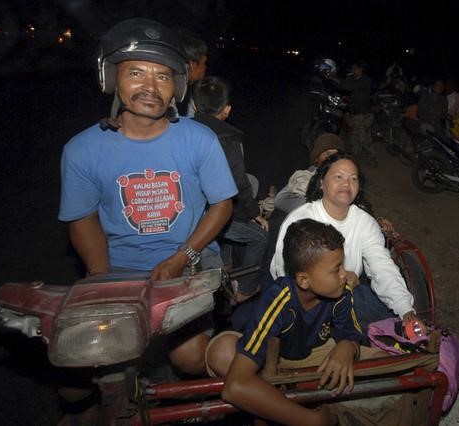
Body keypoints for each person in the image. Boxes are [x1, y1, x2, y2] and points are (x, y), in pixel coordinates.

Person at [58, 19, 237, 375]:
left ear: (177, 88)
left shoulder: (200, 139)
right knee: (80, 371)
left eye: (163, 77)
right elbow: (83, 218)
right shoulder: (82, 150)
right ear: (112, 79)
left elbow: (222, 204)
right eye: (137, 73)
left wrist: (181, 257)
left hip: (190, 261)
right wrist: (101, 276)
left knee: (190, 358)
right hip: (119, 268)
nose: (150, 87)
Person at [205, 218, 385, 425]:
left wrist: (348, 346)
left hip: (315, 353)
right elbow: (234, 387)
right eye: (336, 269)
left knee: (384, 360)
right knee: (222, 352)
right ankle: (287, 406)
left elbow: (351, 331)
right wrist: (312, 421)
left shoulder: (340, 292)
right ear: (304, 280)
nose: (345, 275)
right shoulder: (279, 299)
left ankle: (283, 400)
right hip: (274, 357)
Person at [270, 153, 425, 334]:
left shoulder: (365, 223)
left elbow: (382, 267)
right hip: (303, 301)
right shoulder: (301, 219)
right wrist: (335, 282)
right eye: (338, 177)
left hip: (346, 296)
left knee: (389, 329)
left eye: (353, 178)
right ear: (321, 182)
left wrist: (406, 310)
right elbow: (285, 274)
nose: (346, 184)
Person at [191, 76, 269, 303]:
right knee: (260, 237)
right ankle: (247, 288)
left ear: (195, 106)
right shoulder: (228, 138)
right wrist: (255, 214)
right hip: (210, 215)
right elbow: (238, 182)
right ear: (226, 110)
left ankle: (224, 263)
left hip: (190, 210)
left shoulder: (182, 131)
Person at [274, 132, 345, 215]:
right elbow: (280, 200)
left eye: (336, 155)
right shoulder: (305, 176)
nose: (332, 159)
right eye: (328, 154)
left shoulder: (346, 179)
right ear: (316, 159)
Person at [330, 62, 376, 166]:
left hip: (364, 114)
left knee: (363, 136)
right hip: (357, 113)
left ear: (360, 70)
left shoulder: (365, 80)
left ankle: (370, 158)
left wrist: (333, 78)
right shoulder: (353, 78)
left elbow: (348, 86)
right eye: (352, 69)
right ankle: (357, 157)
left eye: (355, 69)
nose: (353, 70)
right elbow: (342, 85)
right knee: (357, 135)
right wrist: (331, 78)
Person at [178, 31, 208, 118]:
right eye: (204, 63)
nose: (205, 67)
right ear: (192, 65)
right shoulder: (180, 98)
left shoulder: (187, 92)